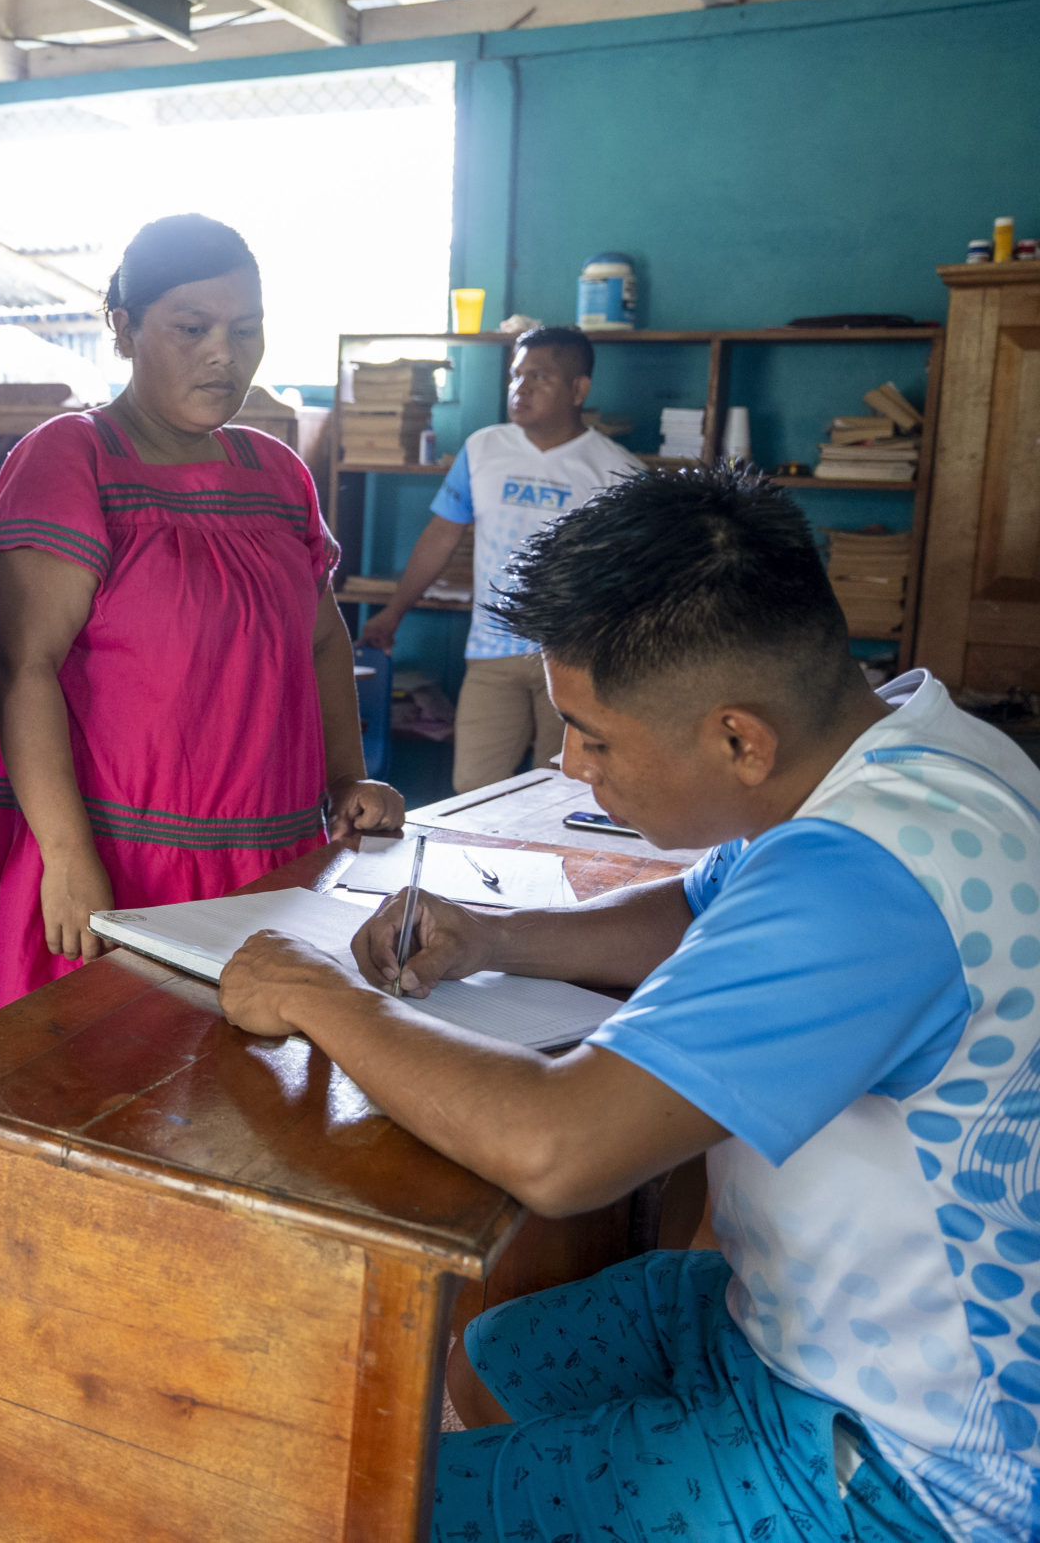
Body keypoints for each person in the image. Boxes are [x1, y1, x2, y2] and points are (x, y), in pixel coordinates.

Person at [220, 467, 1030, 1543]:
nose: (568, 763)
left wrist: (318, 994)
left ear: (737, 739)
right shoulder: (897, 745)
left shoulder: (865, 879)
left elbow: (563, 1148)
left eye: (592, 737)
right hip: (796, 1317)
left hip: (904, 1462)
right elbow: (704, 909)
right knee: (495, 1350)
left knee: (353, 1508)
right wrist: (495, 934)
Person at [0, 214, 402, 1020]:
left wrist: (346, 774)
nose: (223, 354)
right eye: (192, 328)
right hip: (118, 866)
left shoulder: (276, 474)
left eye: (246, 329)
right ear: (124, 328)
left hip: (270, 867)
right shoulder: (71, 459)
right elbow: (23, 667)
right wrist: (64, 854)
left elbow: (322, 637)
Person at [360, 325, 644, 791]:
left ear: (579, 389)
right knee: (472, 793)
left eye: (540, 377)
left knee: (560, 794)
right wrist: (394, 612)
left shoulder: (617, 470)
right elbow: (440, 536)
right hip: (492, 653)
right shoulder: (483, 448)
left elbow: (633, 578)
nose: (521, 388)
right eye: (516, 376)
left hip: (574, 658)